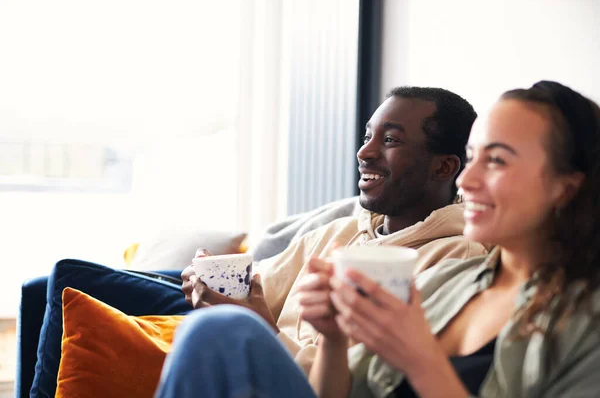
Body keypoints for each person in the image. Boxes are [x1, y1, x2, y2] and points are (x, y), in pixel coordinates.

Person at [154, 80, 600, 398]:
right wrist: (330, 338)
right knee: (215, 330)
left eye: (497, 160)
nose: (471, 177)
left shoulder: (585, 324)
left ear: (566, 186)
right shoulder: (453, 282)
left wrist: (420, 359)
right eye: (472, 158)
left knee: (225, 332)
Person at [180, 86, 487, 372]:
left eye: (390, 140)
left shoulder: (456, 257)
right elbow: (256, 289)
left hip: (282, 377)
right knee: (136, 290)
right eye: (368, 137)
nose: (365, 152)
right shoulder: (339, 232)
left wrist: (263, 330)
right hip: (237, 352)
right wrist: (207, 283)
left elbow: (359, 378)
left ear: (444, 167)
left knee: (190, 333)